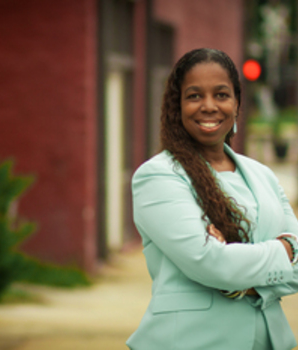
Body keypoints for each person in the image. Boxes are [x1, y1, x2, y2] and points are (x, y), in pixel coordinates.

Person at [126, 48, 298, 350]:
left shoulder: (263, 176)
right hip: (193, 341)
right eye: (194, 96)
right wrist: (285, 249)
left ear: (237, 104)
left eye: (221, 95)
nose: (208, 106)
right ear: (176, 105)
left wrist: (239, 277)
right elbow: (209, 263)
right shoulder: (158, 177)